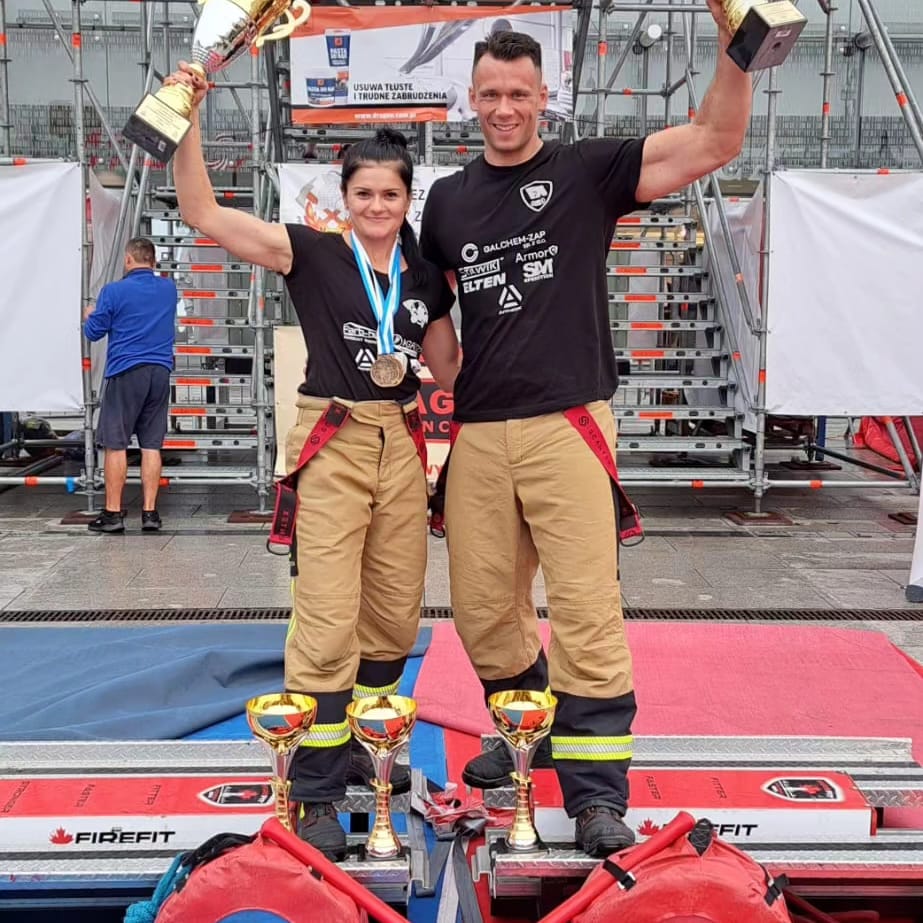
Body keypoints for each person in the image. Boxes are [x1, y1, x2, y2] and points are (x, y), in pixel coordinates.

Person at [419, 3, 751, 858]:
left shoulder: (585, 171)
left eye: (518, 93)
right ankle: (526, 729)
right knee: (483, 611)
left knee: (584, 610)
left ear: (544, 97)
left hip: (567, 421)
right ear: (470, 99)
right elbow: (428, 309)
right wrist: (436, 369)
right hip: (479, 431)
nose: (503, 108)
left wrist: (736, 52)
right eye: (490, 93)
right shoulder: (447, 201)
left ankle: (596, 793)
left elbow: (714, 140)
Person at [165, 63, 461, 861]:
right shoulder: (311, 252)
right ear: (343, 196)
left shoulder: (424, 278)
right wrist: (187, 116)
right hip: (332, 437)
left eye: (390, 194)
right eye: (364, 193)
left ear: (407, 199)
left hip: (403, 440)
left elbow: (449, 367)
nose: (377, 205)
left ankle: (366, 745)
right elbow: (201, 212)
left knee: (394, 613)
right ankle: (317, 786)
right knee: (327, 615)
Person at [83, 238, 178, 534]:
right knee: (151, 445)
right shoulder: (169, 289)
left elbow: (94, 332)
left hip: (126, 370)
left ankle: (113, 513)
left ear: (128, 260)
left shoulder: (113, 291)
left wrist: (89, 314)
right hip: (160, 371)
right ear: (153, 261)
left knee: (116, 444)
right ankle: (150, 513)